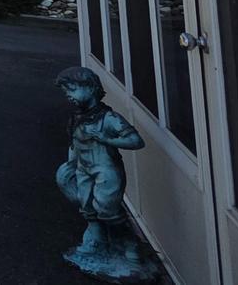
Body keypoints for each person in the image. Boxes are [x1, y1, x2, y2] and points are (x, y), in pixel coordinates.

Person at [55, 66, 162, 283]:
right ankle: (98, 243)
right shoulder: (77, 119)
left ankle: (129, 247)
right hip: (84, 169)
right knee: (86, 206)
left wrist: (107, 140)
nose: (69, 96)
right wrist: (70, 165)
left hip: (106, 171)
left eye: (72, 90)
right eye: (66, 92)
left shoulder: (108, 118)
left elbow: (135, 141)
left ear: (91, 88)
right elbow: (74, 144)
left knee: (107, 209)